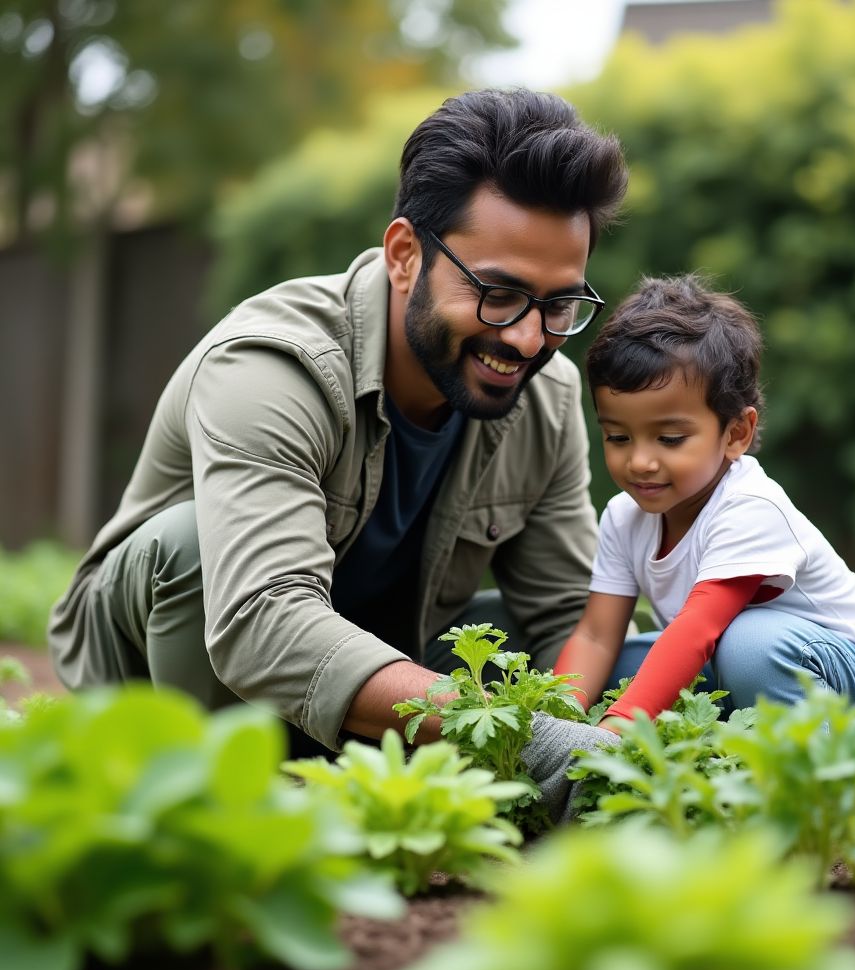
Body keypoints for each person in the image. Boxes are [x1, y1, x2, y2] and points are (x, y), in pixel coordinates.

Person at [48, 89, 629, 783]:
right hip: (181, 678)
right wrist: (534, 742)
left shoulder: (547, 396)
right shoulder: (271, 366)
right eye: (497, 294)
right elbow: (262, 623)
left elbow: (563, 613)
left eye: (559, 304)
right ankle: (197, 798)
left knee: (536, 634)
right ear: (406, 254)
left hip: (373, 680)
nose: (528, 337)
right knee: (194, 544)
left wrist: (599, 742)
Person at [554, 275, 855, 739]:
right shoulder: (624, 517)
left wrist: (615, 729)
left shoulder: (748, 506)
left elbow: (697, 631)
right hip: (744, 672)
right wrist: (556, 721)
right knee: (619, 666)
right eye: (617, 437)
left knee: (748, 644)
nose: (640, 462)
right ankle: (726, 761)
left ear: (735, 434)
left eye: (670, 439)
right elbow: (596, 635)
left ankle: (820, 780)